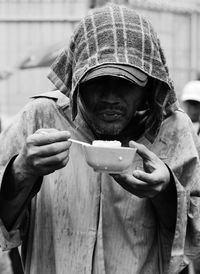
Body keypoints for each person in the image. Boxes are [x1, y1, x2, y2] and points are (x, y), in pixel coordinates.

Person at [0, 3, 200, 274]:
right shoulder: (41, 118)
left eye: (127, 83)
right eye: (97, 82)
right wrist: (22, 170)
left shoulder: (172, 130)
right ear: (76, 80)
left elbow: (193, 238)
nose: (110, 98)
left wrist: (165, 192)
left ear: (149, 84)